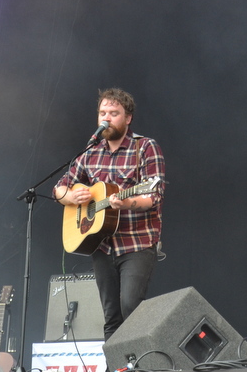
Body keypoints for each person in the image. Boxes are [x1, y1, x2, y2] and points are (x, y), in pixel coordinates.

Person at [53, 88, 166, 340]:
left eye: (114, 113)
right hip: (101, 245)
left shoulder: (144, 147)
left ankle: (140, 359)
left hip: (136, 242)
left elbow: (153, 196)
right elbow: (59, 188)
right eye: (102, 113)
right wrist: (71, 197)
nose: (106, 118)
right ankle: (114, 361)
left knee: (131, 307)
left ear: (128, 118)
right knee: (111, 317)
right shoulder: (90, 152)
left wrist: (126, 203)